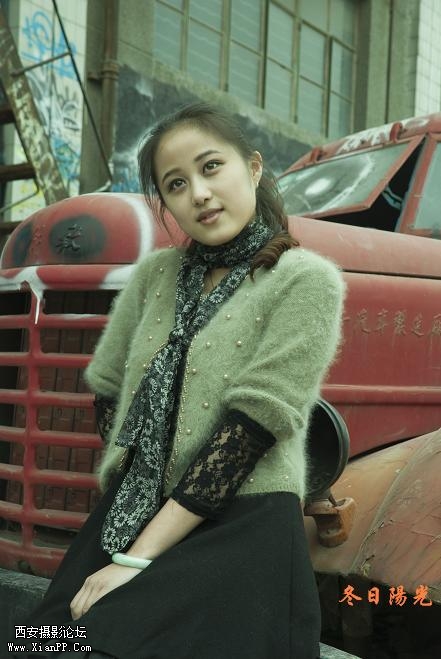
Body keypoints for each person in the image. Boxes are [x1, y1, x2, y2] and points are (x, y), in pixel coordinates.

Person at [23, 103, 345, 659]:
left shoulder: (305, 281)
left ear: (254, 168)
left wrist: (134, 559)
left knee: (101, 642)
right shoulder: (155, 275)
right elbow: (108, 385)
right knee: (39, 642)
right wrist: (139, 481)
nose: (198, 193)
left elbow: (248, 434)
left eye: (211, 167)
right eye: (176, 183)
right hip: (138, 510)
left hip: (240, 524)